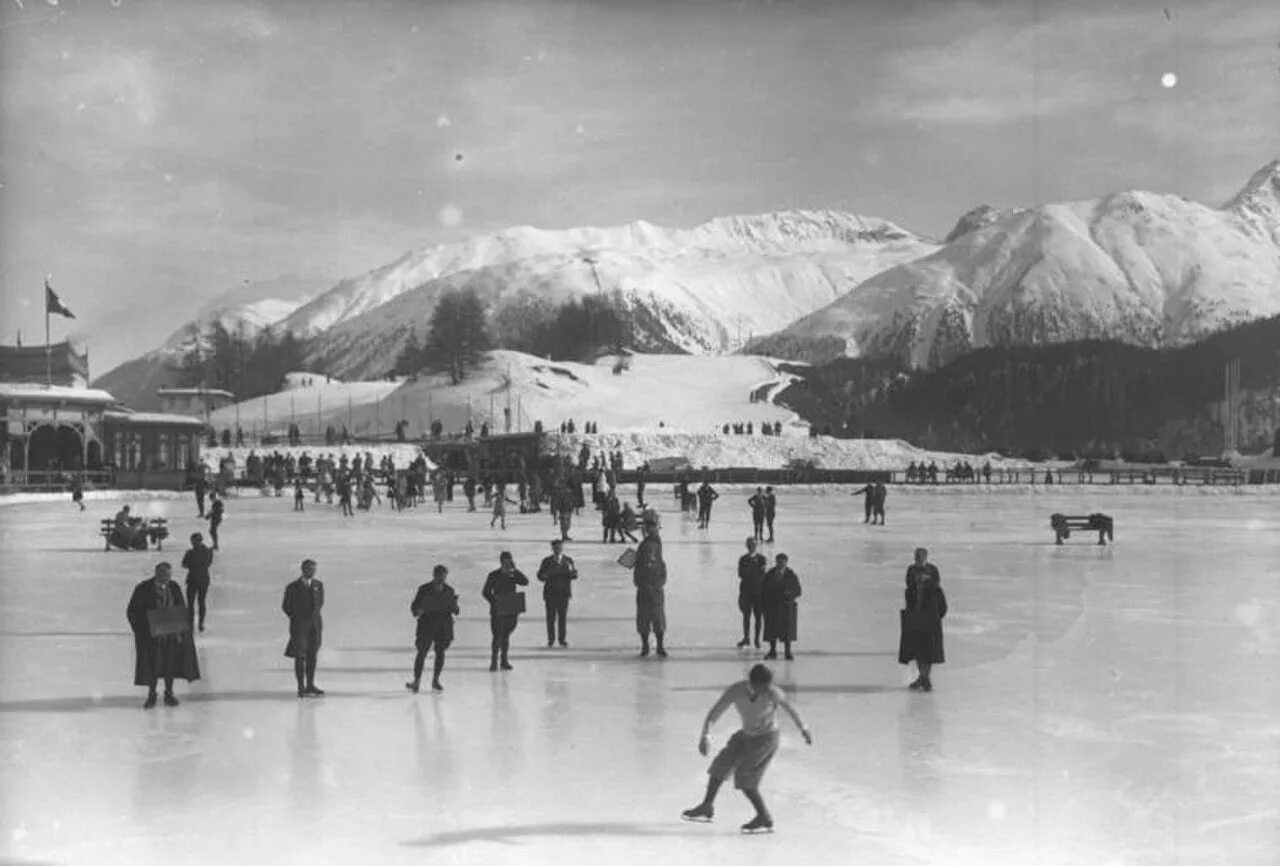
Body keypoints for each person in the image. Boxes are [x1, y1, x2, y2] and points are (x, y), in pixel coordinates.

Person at [681, 663, 813, 832]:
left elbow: (791, 709)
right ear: (753, 682)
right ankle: (707, 806)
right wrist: (705, 736)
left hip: (766, 738)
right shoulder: (736, 691)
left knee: (745, 778)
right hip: (746, 735)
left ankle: (764, 816)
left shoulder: (773, 692)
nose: (767, 689)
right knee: (720, 766)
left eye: (768, 685)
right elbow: (715, 713)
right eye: (763, 686)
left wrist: (804, 729)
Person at [126, 562, 200, 709]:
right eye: (164, 575)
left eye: (169, 575)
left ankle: (169, 693)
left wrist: (181, 630)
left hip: (171, 635)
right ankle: (152, 694)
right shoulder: (144, 589)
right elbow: (132, 612)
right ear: (157, 573)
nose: (167, 578)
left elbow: (181, 608)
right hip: (152, 637)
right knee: (152, 666)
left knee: (169, 666)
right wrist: (144, 629)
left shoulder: (174, 587)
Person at [899, 547, 947, 691]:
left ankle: (925, 677)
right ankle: (923, 677)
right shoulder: (911, 570)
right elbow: (908, 586)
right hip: (915, 613)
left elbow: (937, 588)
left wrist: (927, 583)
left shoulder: (932, 570)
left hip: (930, 614)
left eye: (921, 557)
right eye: (916, 557)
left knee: (929, 648)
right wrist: (916, 584)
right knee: (918, 647)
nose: (918, 559)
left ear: (926, 557)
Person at [407, 564, 459, 693]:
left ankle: (436, 680)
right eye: (439, 576)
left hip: (443, 626)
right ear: (434, 575)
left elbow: (456, 610)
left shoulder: (449, 590)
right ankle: (417, 681)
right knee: (421, 653)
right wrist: (417, 610)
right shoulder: (424, 589)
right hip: (427, 625)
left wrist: (454, 606)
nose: (441, 579)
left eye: (443, 577)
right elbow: (414, 607)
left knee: (440, 653)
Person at [283, 559, 325, 698]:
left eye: (314, 569)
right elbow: (286, 607)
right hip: (299, 627)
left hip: (315, 626)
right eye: (309, 569)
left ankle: (310, 685)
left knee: (312, 656)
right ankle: (301, 686)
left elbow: (320, 604)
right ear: (303, 569)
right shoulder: (293, 587)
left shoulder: (318, 585)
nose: (312, 571)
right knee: (300, 656)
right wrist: (298, 619)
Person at [482, 551, 529, 671]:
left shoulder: (513, 575)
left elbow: (525, 582)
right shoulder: (493, 575)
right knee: (497, 635)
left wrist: (515, 570)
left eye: (510, 561)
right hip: (498, 610)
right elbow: (486, 592)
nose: (508, 563)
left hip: (511, 609)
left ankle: (504, 660)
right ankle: (494, 661)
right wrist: (495, 601)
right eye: (506, 561)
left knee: (506, 635)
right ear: (501, 562)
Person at [633, 509, 668, 658]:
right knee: (645, 620)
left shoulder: (653, 543)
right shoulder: (645, 545)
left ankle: (658, 646)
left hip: (654, 588)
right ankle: (646, 646)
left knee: (657, 619)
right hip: (646, 587)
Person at [536, 539, 577, 648]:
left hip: (563, 593)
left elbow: (574, 575)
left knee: (562, 618)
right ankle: (551, 640)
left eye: (559, 547)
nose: (558, 549)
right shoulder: (546, 561)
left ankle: (562, 640)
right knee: (550, 618)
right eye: (555, 547)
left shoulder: (568, 560)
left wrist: (570, 572)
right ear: (552, 548)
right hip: (550, 593)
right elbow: (540, 576)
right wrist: (546, 575)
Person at [761, 554, 802, 660]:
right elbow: (763, 589)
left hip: (786, 607)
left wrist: (789, 594)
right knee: (772, 629)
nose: (780, 564)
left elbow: (798, 591)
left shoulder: (791, 575)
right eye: (779, 562)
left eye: (783, 562)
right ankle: (772, 651)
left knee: (787, 630)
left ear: (786, 562)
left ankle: (787, 651)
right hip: (772, 606)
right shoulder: (770, 574)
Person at [736, 537, 766, 649]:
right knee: (746, 616)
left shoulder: (762, 559)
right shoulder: (743, 559)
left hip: (758, 592)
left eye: (753, 545)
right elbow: (741, 573)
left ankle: (757, 639)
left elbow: (762, 574)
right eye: (749, 545)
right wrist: (753, 571)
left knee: (758, 617)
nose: (751, 547)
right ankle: (746, 638)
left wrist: (750, 571)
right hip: (746, 591)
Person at [181, 532, 214, 632]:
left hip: (192, 579)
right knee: (201, 601)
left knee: (190, 603)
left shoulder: (190, 553)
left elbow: (184, 564)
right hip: (204, 579)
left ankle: (191, 624)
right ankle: (201, 623)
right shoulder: (208, 552)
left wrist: (192, 566)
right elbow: (208, 563)